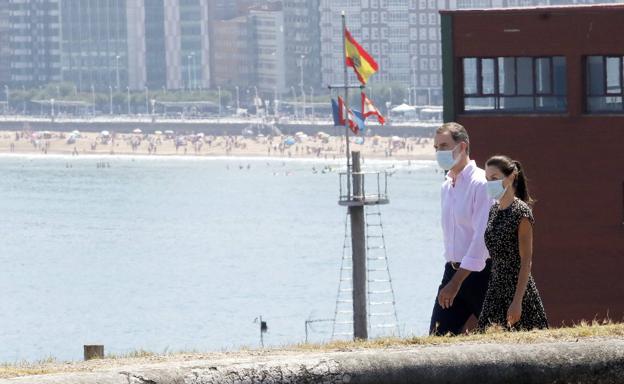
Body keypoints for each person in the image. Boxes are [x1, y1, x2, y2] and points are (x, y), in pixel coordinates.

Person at [430, 122, 493, 336]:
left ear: (463, 146)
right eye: (436, 147)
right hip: (453, 270)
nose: (440, 152)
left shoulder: (482, 183)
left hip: (482, 275)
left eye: (445, 146)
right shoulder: (446, 186)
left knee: (501, 337)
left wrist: (455, 283)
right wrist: (452, 278)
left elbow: (481, 239)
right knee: (438, 339)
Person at [478, 155, 548, 331]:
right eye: (487, 179)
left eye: (494, 178)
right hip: (495, 289)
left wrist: (517, 302)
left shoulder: (521, 213)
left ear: (510, 177)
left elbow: (526, 262)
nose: (489, 183)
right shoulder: (494, 210)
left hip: (518, 291)